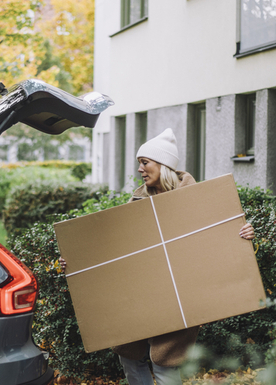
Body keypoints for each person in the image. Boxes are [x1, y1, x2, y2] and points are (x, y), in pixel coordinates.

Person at [60, 128, 255, 385]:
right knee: (129, 357)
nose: (140, 169)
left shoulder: (197, 201)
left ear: (162, 165)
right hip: (139, 295)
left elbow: (216, 243)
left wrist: (243, 236)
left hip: (181, 295)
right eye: (139, 164)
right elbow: (113, 251)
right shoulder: (135, 204)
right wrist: (75, 262)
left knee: (165, 362)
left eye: (144, 162)